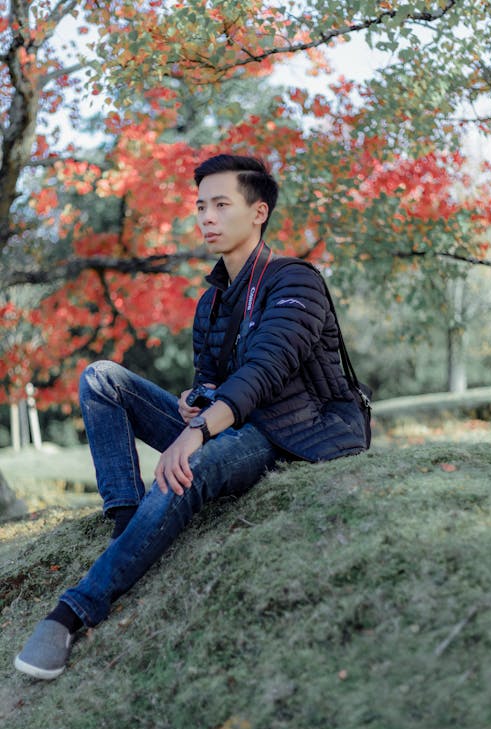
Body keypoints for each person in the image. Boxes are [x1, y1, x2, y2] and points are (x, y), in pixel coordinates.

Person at [14, 154, 369, 680]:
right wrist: (194, 401)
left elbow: (266, 371)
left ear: (258, 213)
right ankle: (126, 521)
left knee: (189, 470)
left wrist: (197, 432)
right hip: (233, 419)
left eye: (222, 205)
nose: (207, 217)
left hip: (297, 430)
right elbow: (212, 376)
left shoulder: (297, 281)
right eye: (201, 205)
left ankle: (73, 613)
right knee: (101, 377)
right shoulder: (211, 300)